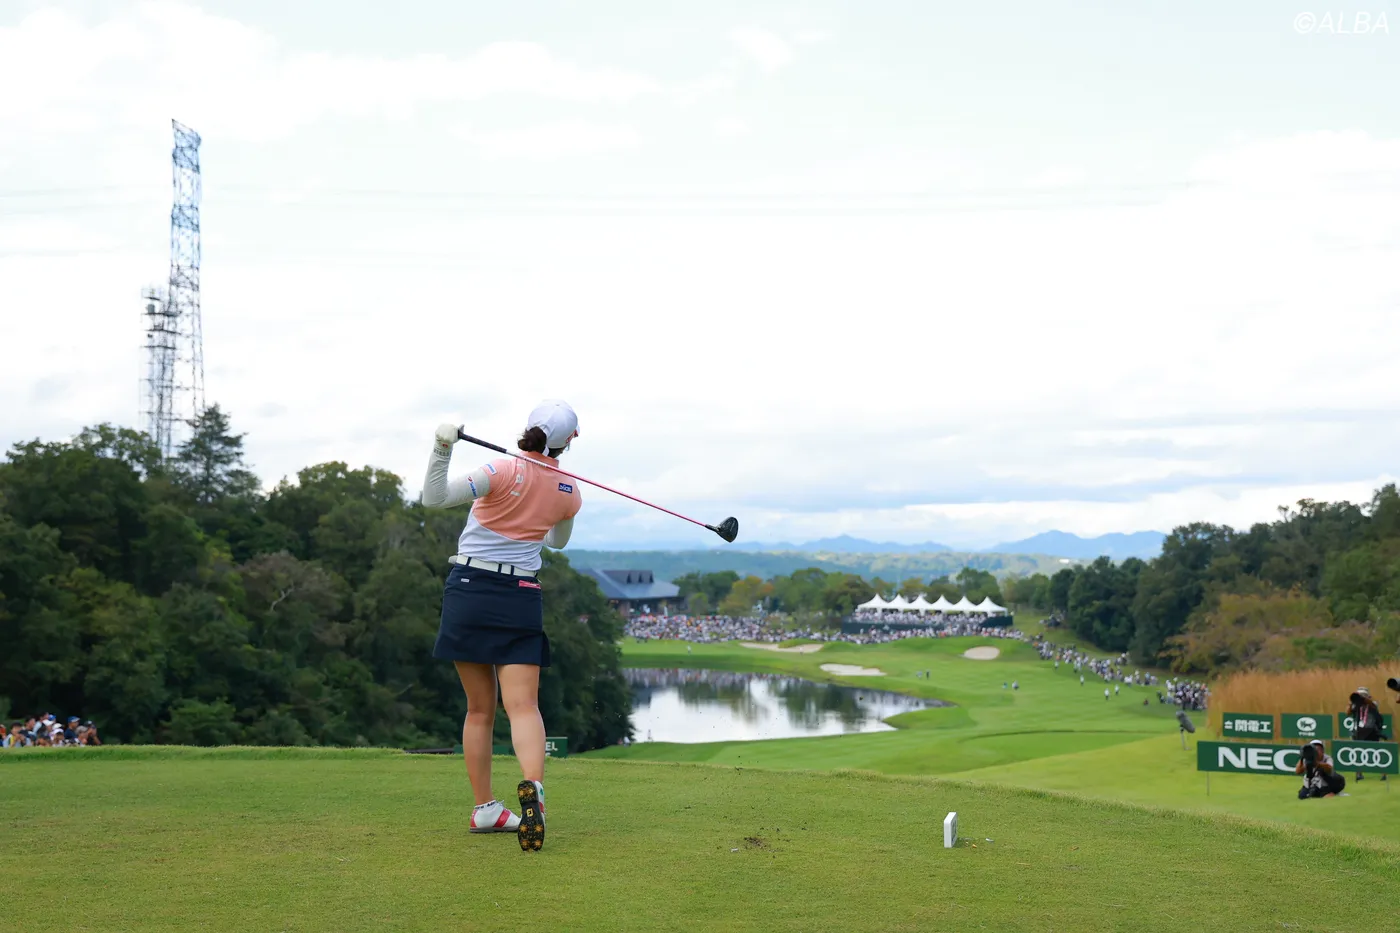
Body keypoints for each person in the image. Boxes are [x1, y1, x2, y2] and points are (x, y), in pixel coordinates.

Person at [422, 400, 582, 853]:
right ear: (568, 443)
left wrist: (442, 447)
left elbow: (433, 498)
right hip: (520, 595)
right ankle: (535, 790)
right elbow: (557, 541)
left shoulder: (499, 469)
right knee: (524, 706)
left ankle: (486, 809)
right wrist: (544, 506)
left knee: (479, 710)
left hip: (469, 590)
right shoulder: (570, 490)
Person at [1348, 687, 1388, 782]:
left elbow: (1372, 705)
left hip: (1372, 731)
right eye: (1360, 695)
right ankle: (1359, 774)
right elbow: (1348, 713)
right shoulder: (1356, 705)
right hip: (1359, 731)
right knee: (1358, 752)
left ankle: (1384, 773)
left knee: (1377, 752)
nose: (1361, 697)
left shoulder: (1373, 703)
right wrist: (1351, 703)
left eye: (1363, 695)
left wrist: (1364, 699)